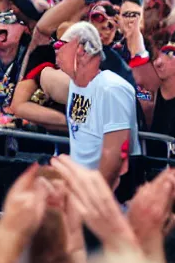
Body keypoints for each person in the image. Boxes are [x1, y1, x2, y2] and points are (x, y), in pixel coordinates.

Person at [55, 22, 139, 186]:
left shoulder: (112, 89)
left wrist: (95, 197)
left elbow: (115, 155)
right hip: (80, 186)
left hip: (108, 193)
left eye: (61, 45)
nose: (56, 49)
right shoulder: (75, 84)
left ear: (83, 52)